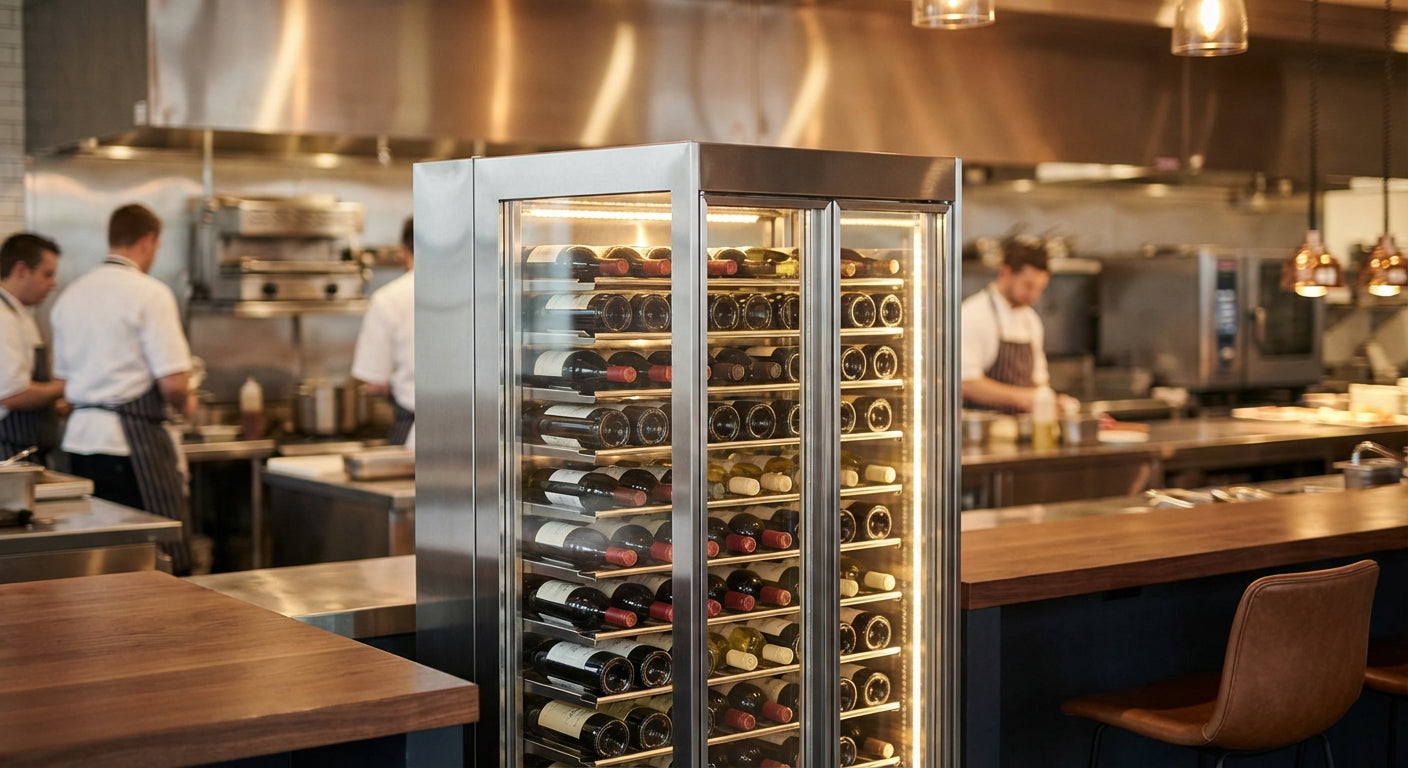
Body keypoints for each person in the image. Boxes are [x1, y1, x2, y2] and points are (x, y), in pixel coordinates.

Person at [51, 203, 194, 574]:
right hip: (130, 446)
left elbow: (64, 383)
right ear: (148, 241)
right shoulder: (150, 293)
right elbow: (174, 381)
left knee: (98, 559)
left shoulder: (69, 296)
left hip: (79, 442)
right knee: (152, 556)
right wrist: (187, 402)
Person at [960, 238, 1076, 414]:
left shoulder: (1031, 320)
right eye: (1028, 286)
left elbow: (1039, 381)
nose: (1033, 296)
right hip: (982, 431)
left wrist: (1052, 401)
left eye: (1039, 289)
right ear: (1005, 273)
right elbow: (966, 383)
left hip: (1024, 430)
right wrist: (1024, 397)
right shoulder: (973, 315)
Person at [0, 233, 64, 465]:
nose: (53, 283)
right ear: (20, 270)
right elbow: (12, 394)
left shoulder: (20, 315)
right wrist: (63, 387)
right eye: (47, 274)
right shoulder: (3, 318)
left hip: (27, 448)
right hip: (8, 451)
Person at [352, 216, 416, 447]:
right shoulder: (477, 289)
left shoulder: (389, 298)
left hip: (416, 437)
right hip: (481, 433)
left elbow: (375, 382)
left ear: (404, 250)